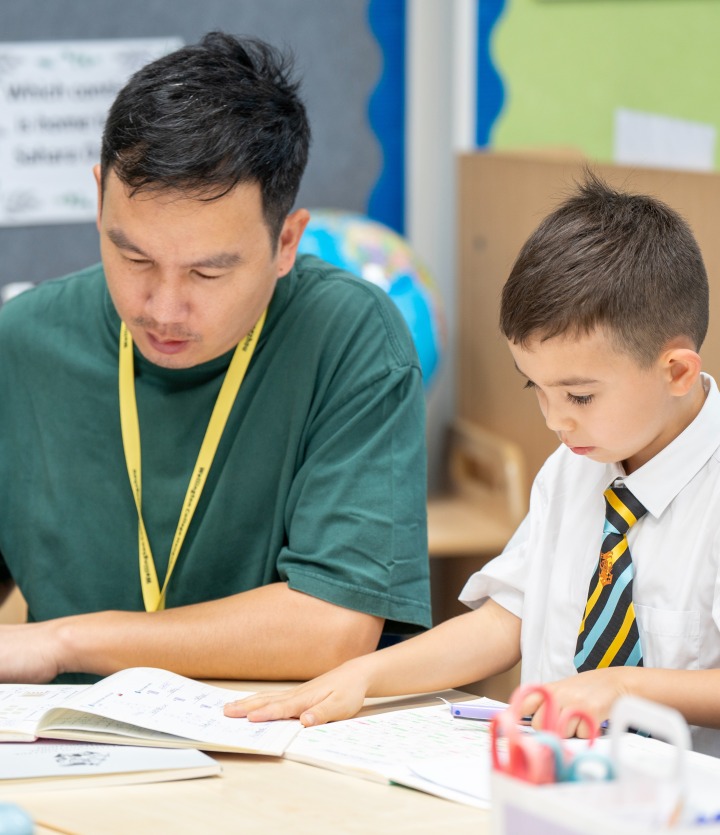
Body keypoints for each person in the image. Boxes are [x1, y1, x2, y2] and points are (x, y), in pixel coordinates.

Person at [226, 173, 720, 756]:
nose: (554, 420)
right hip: (553, 786)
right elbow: (503, 622)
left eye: (579, 397)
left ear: (677, 372)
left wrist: (626, 686)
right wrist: (364, 676)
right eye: (535, 387)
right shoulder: (577, 464)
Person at [0, 32, 431, 684]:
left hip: (271, 760)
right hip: (72, 758)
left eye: (207, 272)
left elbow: (332, 626)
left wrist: (63, 641)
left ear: (286, 241)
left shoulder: (349, 339)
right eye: (135, 257)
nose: (163, 308)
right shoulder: (22, 344)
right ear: (99, 200)